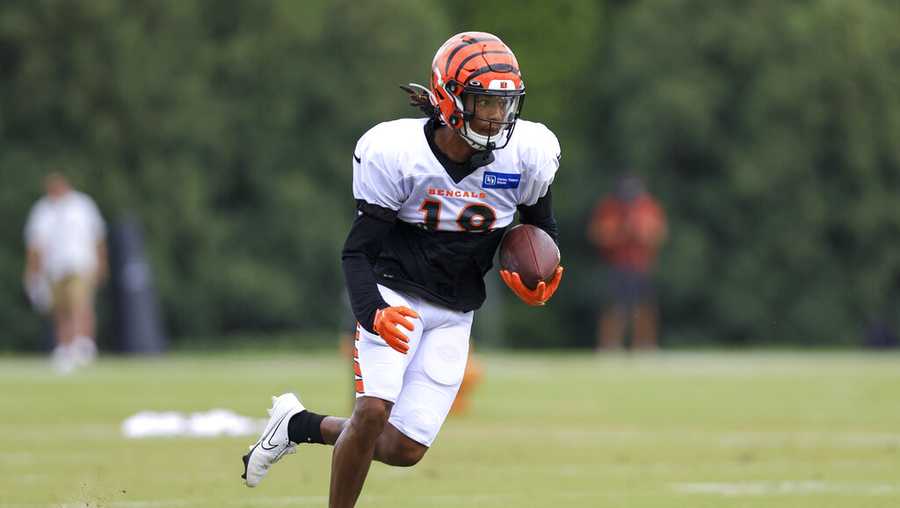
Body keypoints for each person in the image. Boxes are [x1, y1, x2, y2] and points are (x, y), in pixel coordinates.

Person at [241, 32, 563, 507]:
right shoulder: (396, 152)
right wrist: (373, 312)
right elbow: (356, 253)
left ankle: (297, 424)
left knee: (403, 448)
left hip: (455, 310)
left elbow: (543, 229)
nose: (496, 117)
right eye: (483, 103)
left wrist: (542, 275)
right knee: (371, 412)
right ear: (450, 99)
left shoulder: (527, 154)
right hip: (393, 293)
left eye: (504, 104)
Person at [23, 172, 107, 373]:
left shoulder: (82, 205)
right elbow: (35, 245)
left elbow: (97, 237)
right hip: (54, 267)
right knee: (61, 309)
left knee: (80, 303)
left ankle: (82, 344)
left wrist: (102, 263)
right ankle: (64, 346)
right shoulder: (43, 209)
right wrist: (33, 273)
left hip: (80, 264)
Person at [587, 174, 666, 350]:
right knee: (614, 306)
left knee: (645, 306)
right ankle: (609, 345)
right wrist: (622, 231)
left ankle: (645, 345)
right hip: (616, 265)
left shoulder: (648, 207)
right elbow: (599, 235)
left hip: (641, 265)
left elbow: (657, 234)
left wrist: (638, 230)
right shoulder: (610, 208)